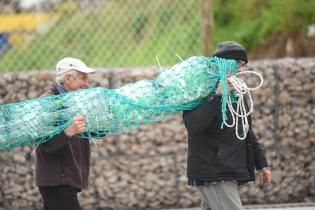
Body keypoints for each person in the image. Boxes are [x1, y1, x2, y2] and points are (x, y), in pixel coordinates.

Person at [183, 41, 272, 210]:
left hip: (228, 170)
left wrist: (262, 164)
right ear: (225, 65)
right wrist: (217, 95)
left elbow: (246, 131)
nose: (243, 70)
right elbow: (194, 125)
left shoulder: (238, 93)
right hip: (214, 172)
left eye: (244, 65)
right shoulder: (201, 91)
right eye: (239, 64)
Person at [35, 57, 97, 210]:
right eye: (83, 78)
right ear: (69, 78)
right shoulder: (48, 103)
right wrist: (69, 131)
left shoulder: (74, 101)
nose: (86, 84)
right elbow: (45, 146)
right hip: (58, 182)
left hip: (63, 182)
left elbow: (83, 133)